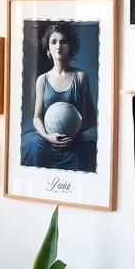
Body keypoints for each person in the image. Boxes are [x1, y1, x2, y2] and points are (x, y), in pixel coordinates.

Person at [21, 21, 97, 171]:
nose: (58, 46)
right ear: (48, 48)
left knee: (79, 159)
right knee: (33, 150)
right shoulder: (42, 80)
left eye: (63, 41)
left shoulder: (81, 77)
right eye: (53, 42)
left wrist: (73, 132)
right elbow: (37, 117)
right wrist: (46, 136)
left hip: (74, 141)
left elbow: (91, 117)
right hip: (45, 140)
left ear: (70, 47)